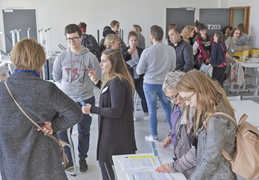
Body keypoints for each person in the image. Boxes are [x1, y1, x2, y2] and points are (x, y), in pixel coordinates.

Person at [0, 38, 82, 180]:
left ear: (14, 58)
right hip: (45, 163)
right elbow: (75, 113)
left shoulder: (2, 89)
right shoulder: (46, 89)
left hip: (12, 165)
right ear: (40, 60)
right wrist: (54, 126)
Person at [53, 24, 102, 172]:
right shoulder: (61, 57)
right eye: (69, 39)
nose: (72, 42)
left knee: (83, 131)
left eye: (75, 38)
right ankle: (69, 158)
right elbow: (56, 77)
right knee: (62, 131)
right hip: (66, 100)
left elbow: (98, 77)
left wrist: (92, 77)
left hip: (85, 99)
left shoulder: (90, 57)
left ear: (81, 37)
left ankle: (82, 157)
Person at [82, 49, 137, 180]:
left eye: (104, 61)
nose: (100, 64)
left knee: (105, 163)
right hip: (117, 132)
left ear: (114, 62)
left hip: (114, 134)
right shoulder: (116, 80)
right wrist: (96, 81)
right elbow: (110, 94)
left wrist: (92, 109)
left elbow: (115, 111)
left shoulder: (117, 81)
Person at [176, 70, 237, 180]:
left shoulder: (217, 119)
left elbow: (210, 161)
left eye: (188, 98)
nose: (187, 103)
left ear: (200, 90)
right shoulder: (209, 108)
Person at [136, 25, 176, 141]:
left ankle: (154, 135)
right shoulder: (171, 49)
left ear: (152, 36)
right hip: (165, 83)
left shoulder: (147, 51)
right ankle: (173, 133)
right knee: (168, 108)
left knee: (152, 109)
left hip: (149, 84)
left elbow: (139, 70)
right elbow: (173, 68)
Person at [155, 72, 196, 178]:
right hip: (180, 159)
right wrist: (170, 135)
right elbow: (176, 124)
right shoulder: (177, 104)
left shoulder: (194, 108)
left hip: (191, 167)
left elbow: (196, 150)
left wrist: (174, 166)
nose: (173, 101)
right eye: (170, 98)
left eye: (174, 96)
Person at [122, 31, 148, 120]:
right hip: (130, 77)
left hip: (140, 77)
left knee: (143, 95)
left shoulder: (141, 51)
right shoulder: (125, 51)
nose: (133, 42)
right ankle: (132, 114)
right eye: (132, 40)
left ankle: (146, 113)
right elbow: (120, 60)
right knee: (130, 97)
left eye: (135, 40)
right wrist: (127, 53)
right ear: (128, 41)